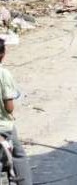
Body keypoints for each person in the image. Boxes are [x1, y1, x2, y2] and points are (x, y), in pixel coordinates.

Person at [0, 38, 33, 185]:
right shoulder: (3, 74)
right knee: (19, 157)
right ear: (2, 54)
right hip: (4, 127)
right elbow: (9, 107)